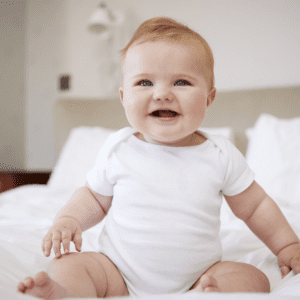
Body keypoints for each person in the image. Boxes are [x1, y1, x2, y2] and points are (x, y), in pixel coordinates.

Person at [18, 16, 300, 299]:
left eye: (181, 82)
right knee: (70, 264)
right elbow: (93, 197)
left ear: (209, 98)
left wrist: (286, 246)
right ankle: (65, 292)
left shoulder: (219, 154)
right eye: (144, 82)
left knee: (255, 278)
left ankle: (210, 291)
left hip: (199, 274)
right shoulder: (119, 148)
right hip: (118, 273)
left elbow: (255, 207)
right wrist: (68, 220)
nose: (162, 94)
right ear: (123, 96)